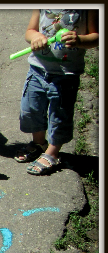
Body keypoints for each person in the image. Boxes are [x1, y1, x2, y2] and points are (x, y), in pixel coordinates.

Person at [14, 9, 99, 175]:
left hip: (66, 74)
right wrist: (35, 37)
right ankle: (39, 143)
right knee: (30, 109)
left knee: (59, 116)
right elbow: (30, 32)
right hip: (37, 69)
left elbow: (96, 36)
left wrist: (80, 39)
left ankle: (52, 153)